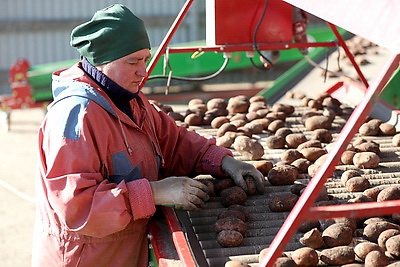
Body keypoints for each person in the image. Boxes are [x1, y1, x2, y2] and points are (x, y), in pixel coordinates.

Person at [32, 4, 265, 267]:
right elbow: (77, 208)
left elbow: (175, 142)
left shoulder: (130, 101)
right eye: (132, 62)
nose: (143, 71)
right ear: (101, 61)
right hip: (85, 258)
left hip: (124, 252)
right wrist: (154, 193)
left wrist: (223, 160)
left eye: (145, 59)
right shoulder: (75, 118)